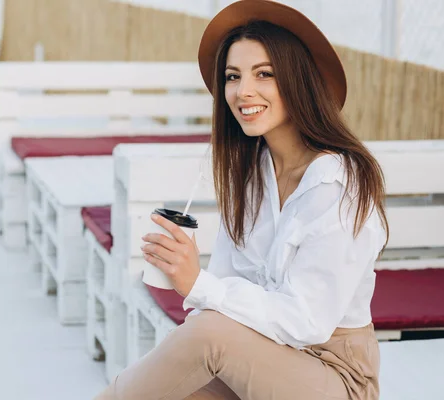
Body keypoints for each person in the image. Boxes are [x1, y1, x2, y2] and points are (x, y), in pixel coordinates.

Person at [95, 1, 389, 399]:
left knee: (207, 333)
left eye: (263, 74)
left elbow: (307, 322)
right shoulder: (253, 175)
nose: (242, 91)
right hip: (261, 354)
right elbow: (224, 291)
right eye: (233, 77)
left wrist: (198, 284)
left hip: (334, 376)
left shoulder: (338, 185)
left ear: (298, 80)